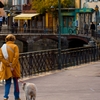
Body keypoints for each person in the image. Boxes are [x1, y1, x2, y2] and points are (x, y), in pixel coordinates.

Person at [0, 34, 21, 100]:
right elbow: (16, 56)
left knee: (7, 82)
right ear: (13, 39)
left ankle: (5, 96)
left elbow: (1, 58)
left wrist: (8, 64)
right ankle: (16, 97)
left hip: (6, 67)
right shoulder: (15, 46)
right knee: (16, 82)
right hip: (14, 67)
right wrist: (13, 65)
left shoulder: (2, 48)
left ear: (6, 39)